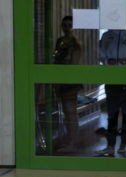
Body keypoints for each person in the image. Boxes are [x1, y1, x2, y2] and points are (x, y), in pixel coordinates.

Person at [96, 29, 126, 157]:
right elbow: (100, 53)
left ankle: (124, 143)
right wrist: (107, 61)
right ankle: (110, 146)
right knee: (112, 114)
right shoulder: (106, 35)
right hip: (111, 78)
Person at [53, 15, 83, 153]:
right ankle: (69, 140)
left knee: (70, 112)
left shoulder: (75, 43)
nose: (67, 28)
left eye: (70, 25)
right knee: (66, 112)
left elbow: (74, 62)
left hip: (70, 80)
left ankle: (73, 142)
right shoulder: (60, 41)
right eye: (64, 25)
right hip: (60, 79)